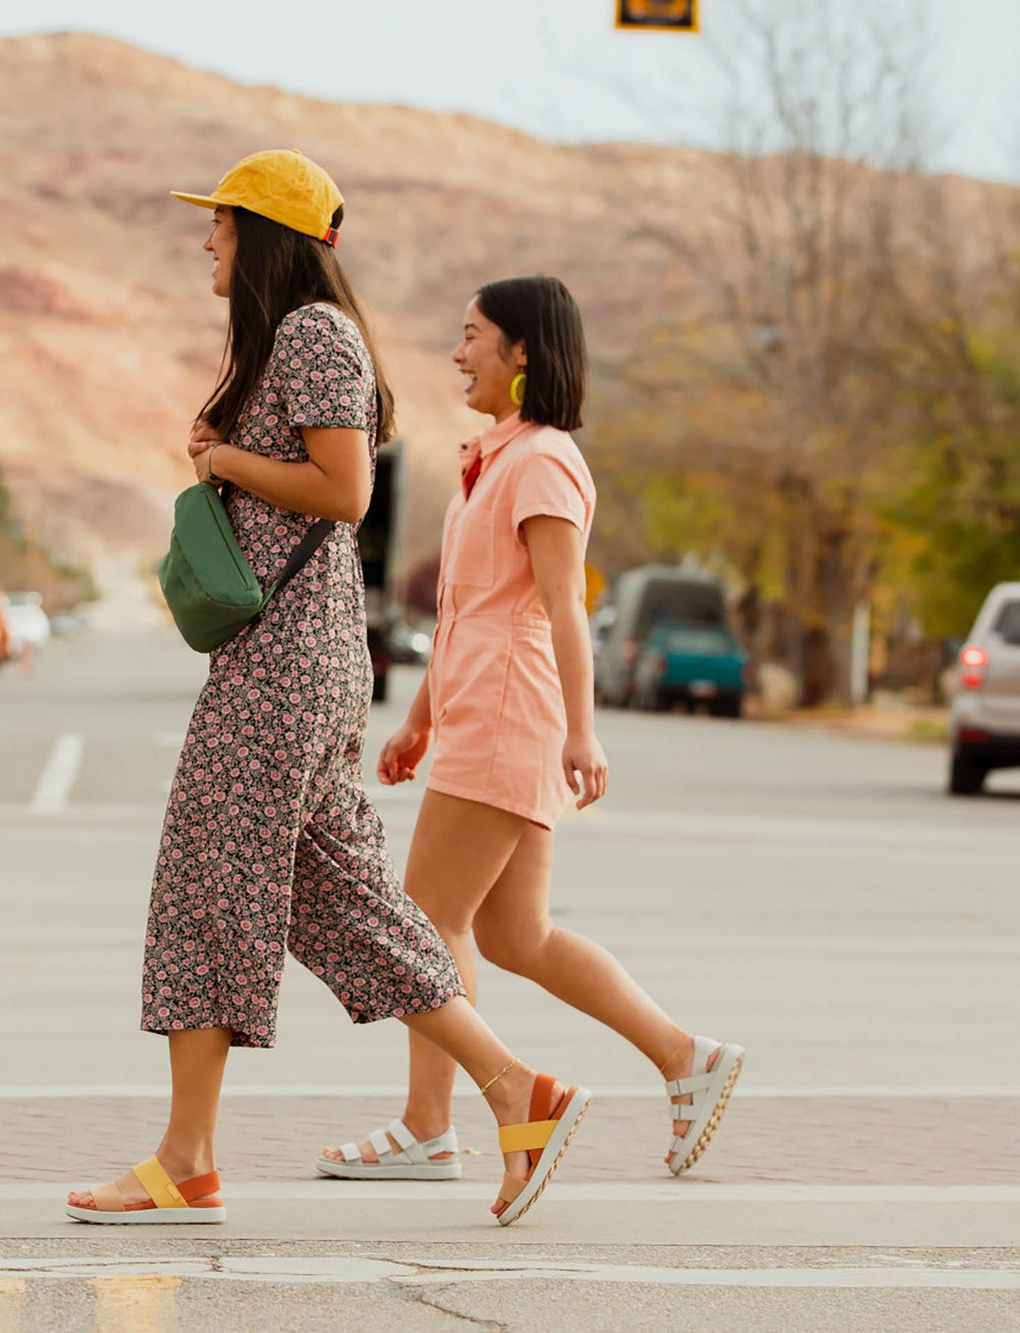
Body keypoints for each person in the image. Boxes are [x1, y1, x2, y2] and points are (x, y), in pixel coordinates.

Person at [67, 152, 586, 1229]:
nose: (204, 241)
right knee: (342, 902)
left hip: (282, 667)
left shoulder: (310, 332)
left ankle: (185, 1159)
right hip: (300, 660)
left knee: (205, 887)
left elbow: (342, 491)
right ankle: (516, 1093)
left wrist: (223, 466)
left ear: (261, 234)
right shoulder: (296, 340)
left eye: (217, 226)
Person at [317, 277, 745, 1185]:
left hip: (511, 719)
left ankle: (432, 1125)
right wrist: (419, 720)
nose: (457, 350)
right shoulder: (488, 463)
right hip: (476, 714)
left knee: (427, 922)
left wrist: (582, 733)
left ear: (523, 355)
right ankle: (686, 1057)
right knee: (516, 936)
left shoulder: (544, 461)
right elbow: (465, 612)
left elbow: (561, 608)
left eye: (473, 335)